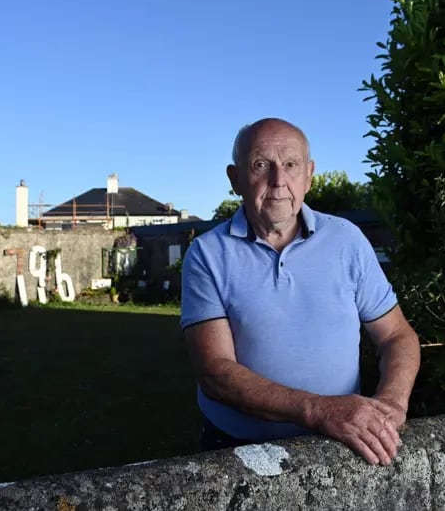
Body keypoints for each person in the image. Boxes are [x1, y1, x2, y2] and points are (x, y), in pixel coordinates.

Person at [180, 118, 420, 466]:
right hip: (236, 450)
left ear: (309, 175)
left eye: (291, 165)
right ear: (235, 179)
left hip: (339, 444)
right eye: (261, 165)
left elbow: (396, 335)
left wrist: (392, 405)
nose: (278, 182)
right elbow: (216, 372)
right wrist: (319, 410)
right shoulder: (207, 254)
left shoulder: (346, 239)